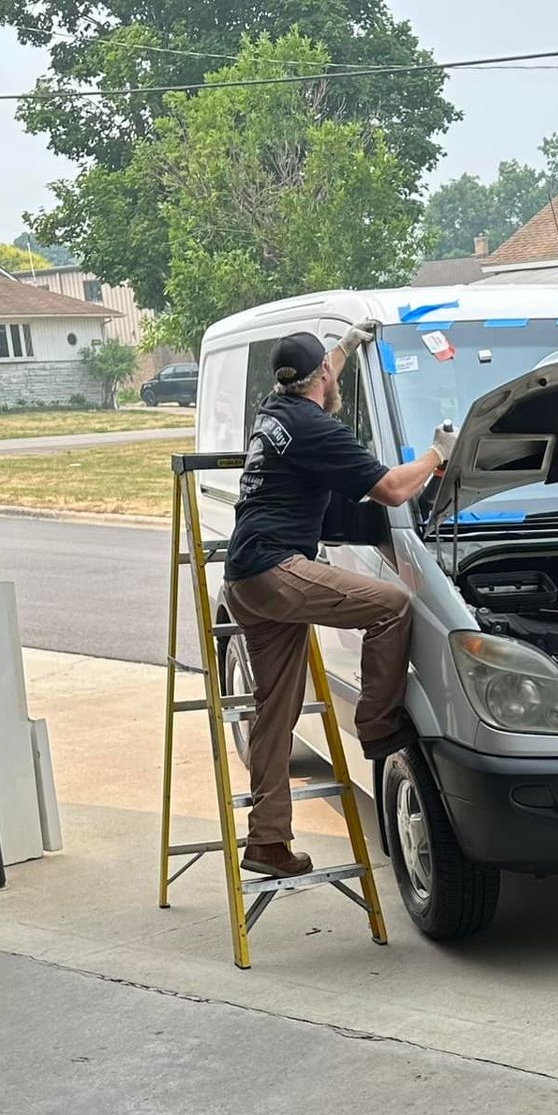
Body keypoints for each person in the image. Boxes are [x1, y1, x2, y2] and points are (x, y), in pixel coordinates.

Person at [220, 324, 456, 877]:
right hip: (276, 570)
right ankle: (377, 726)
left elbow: (323, 366)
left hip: (243, 578)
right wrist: (435, 455)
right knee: (391, 605)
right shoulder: (314, 428)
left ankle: (268, 841)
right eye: (329, 368)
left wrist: (348, 345)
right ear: (319, 378)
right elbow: (395, 490)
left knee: (276, 711)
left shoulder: (271, 410)